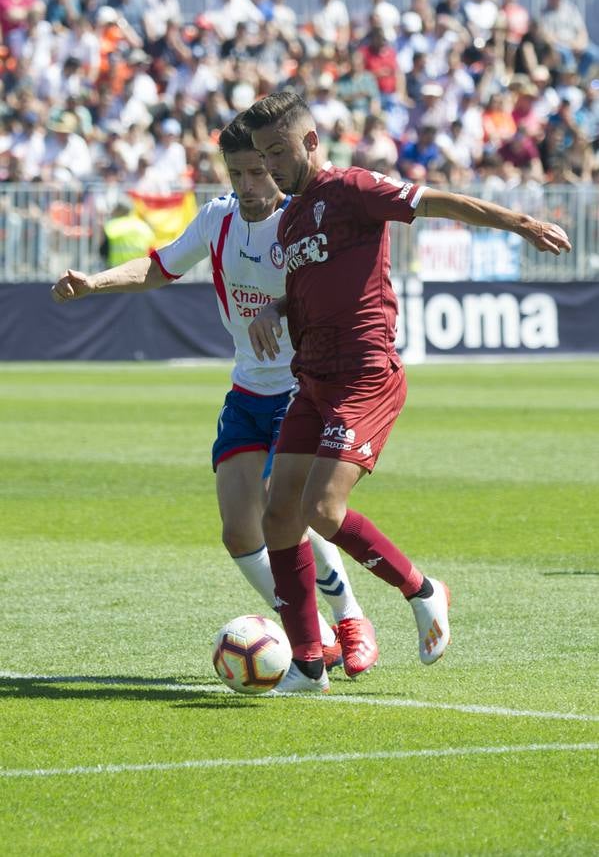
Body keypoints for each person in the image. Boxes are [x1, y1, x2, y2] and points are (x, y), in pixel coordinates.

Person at [242, 91, 571, 694]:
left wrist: (521, 224)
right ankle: (308, 663)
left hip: (364, 373)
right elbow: (310, 285)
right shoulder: (290, 218)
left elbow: (438, 201)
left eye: (277, 152)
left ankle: (422, 590)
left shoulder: (353, 188)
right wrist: (274, 307)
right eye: (263, 156)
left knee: (322, 511)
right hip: (311, 378)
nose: (270, 167)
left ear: (310, 142)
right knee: (278, 513)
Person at [51, 115, 378, 679]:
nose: (248, 184)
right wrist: (95, 282)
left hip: (302, 387)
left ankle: (349, 618)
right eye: (237, 173)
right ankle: (313, 633)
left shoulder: (301, 222)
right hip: (247, 390)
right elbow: (160, 268)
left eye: (257, 171)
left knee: (287, 509)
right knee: (238, 531)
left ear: (276, 164)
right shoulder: (216, 219)